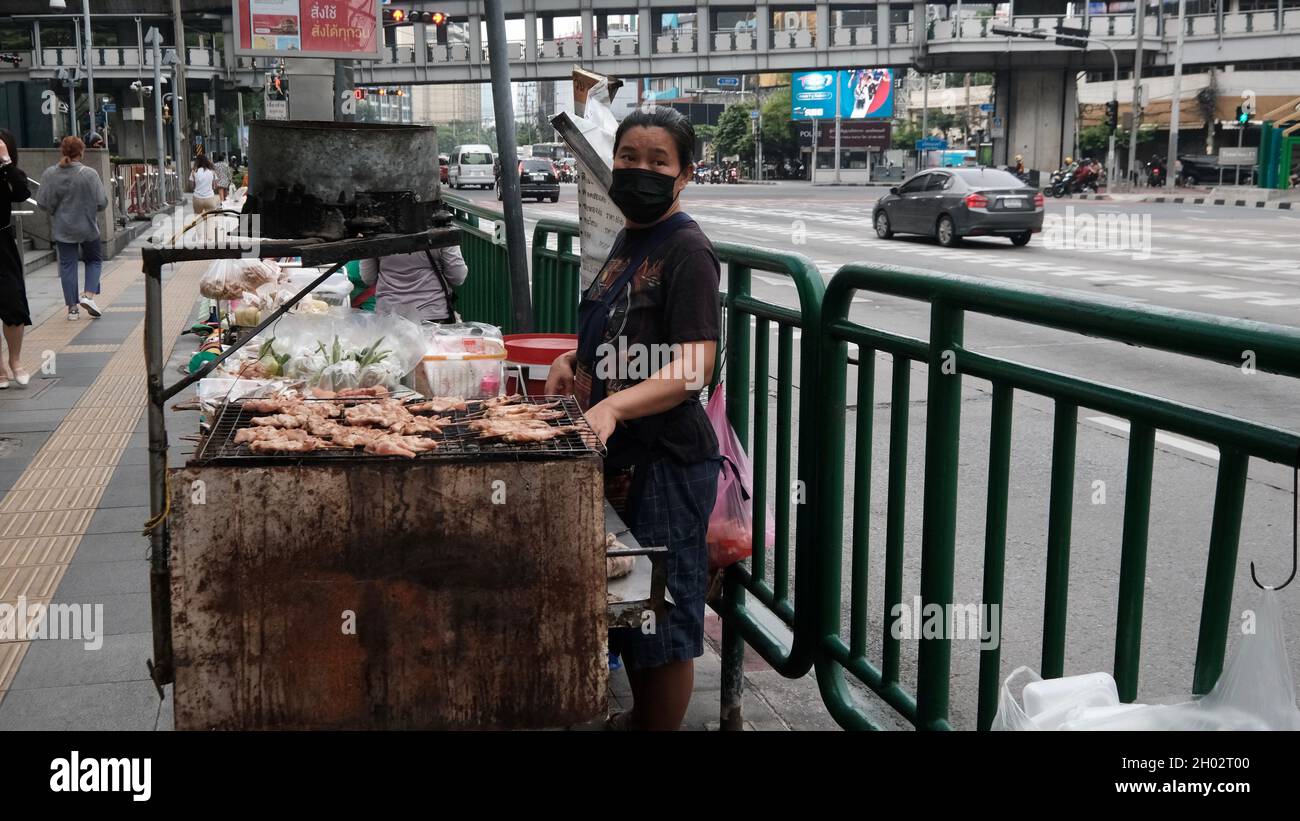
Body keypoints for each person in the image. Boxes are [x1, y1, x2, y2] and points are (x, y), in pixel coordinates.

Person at [545, 106, 721, 731]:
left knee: (665, 619)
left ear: (685, 175)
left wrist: (615, 404)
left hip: (668, 462)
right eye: (629, 158)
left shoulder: (687, 249)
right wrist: (573, 357)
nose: (640, 171)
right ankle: (640, 719)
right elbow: (623, 327)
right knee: (633, 608)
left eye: (657, 162)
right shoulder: (630, 236)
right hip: (623, 459)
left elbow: (696, 363)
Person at [36, 136, 107, 321]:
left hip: (63, 228)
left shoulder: (50, 174)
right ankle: (88, 296)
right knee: (94, 261)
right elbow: (102, 202)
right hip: (88, 227)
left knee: (67, 266)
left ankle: (72, 309)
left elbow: (42, 203)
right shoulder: (90, 174)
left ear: (62, 151)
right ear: (82, 152)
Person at [358, 244, 467, 323]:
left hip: (389, 315)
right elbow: (457, 277)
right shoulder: (440, 228)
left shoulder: (375, 231)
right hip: (433, 313)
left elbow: (368, 277)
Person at [0, 129, 33, 388]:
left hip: (2, 244)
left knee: (14, 304)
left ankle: (15, 360)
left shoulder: (7, 173)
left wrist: (6, 162)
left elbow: (22, 192)